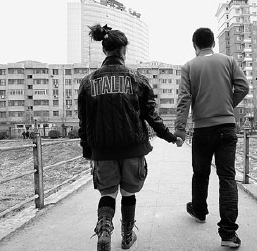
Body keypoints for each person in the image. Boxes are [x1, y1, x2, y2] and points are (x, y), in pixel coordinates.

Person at [78, 24, 183, 251]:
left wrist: (88, 150)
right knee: (128, 193)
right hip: (132, 148)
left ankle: (104, 229)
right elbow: (151, 116)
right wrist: (170, 137)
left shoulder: (87, 82)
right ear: (123, 51)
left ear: (104, 50)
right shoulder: (138, 79)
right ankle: (126, 237)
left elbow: (84, 121)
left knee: (107, 193)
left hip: (102, 149)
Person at [174, 27, 249, 248]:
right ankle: (228, 234)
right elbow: (243, 87)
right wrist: (227, 106)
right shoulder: (229, 61)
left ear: (195, 45)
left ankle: (199, 211)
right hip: (227, 128)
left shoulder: (189, 66)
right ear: (213, 43)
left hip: (202, 130)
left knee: (200, 173)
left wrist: (179, 129)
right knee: (227, 178)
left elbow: (184, 99)